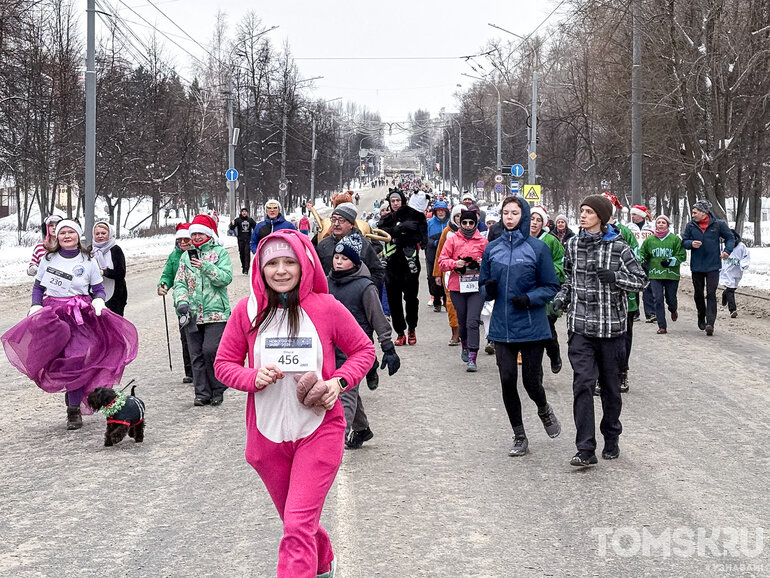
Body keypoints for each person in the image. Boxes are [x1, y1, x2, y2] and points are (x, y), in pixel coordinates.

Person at [213, 230, 375, 578]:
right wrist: (251, 377)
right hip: (267, 437)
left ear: (304, 266)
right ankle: (323, 562)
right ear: (260, 267)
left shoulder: (326, 307)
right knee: (296, 521)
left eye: (290, 262)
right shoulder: (247, 311)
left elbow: (364, 350)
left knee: (297, 524)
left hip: (318, 431)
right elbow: (223, 364)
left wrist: (338, 382)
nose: (281, 270)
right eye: (272, 263)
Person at [2, 219, 138, 430]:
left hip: (80, 316)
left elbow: (98, 288)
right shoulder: (49, 259)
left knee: (77, 359)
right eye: (63, 233)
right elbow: (38, 287)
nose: (66, 236)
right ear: (58, 237)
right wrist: (36, 305)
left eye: (71, 233)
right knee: (59, 361)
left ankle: (73, 409)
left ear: (78, 236)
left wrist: (99, 300)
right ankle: (72, 393)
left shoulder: (88, 259)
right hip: (54, 316)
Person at [553, 195, 647, 467]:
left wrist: (615, 278)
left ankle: (612, 436)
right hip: (580, 328)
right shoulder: (571, 245)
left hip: (611, 330)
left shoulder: (619, 248)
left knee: (609, 388)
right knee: (582, 385)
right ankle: (585, 449)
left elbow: (641, 281)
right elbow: (569, 279)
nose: (582, 216)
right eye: (581, 211)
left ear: (601, 218)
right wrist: (562, 297)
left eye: (589, 212)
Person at [479, 197, 562, 456]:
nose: (509, 217)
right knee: (506, 380)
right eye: (506, 213)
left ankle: (543, 408)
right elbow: (483, 285)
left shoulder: (538, 249)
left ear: (523, 216)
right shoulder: (492, 249)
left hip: (531, 325)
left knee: (531, 381)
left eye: (515, 213)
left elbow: (551, 286)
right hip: (502, 327)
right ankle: (519, 435)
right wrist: (487, 290)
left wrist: (530, 299)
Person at [327, 232, 400, 449]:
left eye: (345, 259)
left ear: (355, 261)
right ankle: (362, 429)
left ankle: (337, 441)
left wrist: (388, 347)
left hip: (355, 351)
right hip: (331, 347)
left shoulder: (365, 286)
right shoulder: (327, 282)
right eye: (336, 258)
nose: (339, 262)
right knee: (345, 389)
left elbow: (377, 317)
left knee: (345, 393)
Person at [173, 214, 233, 406]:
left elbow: (225, 278)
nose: (197, 237)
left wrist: (206, 267)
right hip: (192, 313)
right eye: (194, 234)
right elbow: (180, 283)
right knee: (196, 354)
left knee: (210, 350)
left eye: (200, 233)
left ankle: (218, 388)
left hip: (216, 313)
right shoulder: (185, 256)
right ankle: (202, 393)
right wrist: (181, 302)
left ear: (208, 234)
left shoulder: (219, 253)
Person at [438, 209, 488, 371]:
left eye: (471, 222)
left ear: (475, 224)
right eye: (464, 222)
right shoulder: (452, 240)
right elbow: (442, 262)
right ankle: (465, 346)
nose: (467, 225)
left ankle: (473, 357)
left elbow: (491, 263)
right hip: (457, 287)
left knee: (473, 321)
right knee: (463, 321)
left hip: (475, 287)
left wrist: (483, 263)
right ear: (460, 223)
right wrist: (454, 264)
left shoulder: (482, 241)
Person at [377, 189, 427, 345]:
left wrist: (399, 235)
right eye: (392, 201)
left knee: (411, 299)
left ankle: (412, 328)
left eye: (398, 200)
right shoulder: (386, 219)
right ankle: (400, 332)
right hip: (391, 266)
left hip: (410, 266)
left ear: (403, 201)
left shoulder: (414, 216)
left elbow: (420, 235)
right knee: (393, 300)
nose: (396, 203)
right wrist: (400, 229)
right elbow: (381, 233)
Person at [681, 199, 734, 336]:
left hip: (713, 265)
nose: (693, 215)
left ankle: (710, 323)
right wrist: (691, 243)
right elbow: (684, 241)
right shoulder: (691, 226)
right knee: (698, 293)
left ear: (704, 212)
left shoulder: (718, 224)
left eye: (695, 212)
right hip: (697, 266)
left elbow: (730, 238)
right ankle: (701, 315)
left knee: (711, 293)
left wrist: (727, 251)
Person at [315, 202, 385, 288]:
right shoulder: (323, 245)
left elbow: (378, 272)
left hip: (354, 298)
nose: (336, 224)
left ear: (351, 224)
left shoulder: (363, 244)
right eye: (333, 219)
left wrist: (365, 289)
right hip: (329, 297)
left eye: (341, 220)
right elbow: (315, 272)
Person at [529, 205, 565, 373]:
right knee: (530, 332)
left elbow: (561, 262)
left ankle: (554, 354)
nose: (534, 223)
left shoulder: (551, 241)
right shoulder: (520, 238)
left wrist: (549, 271)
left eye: (538, 220)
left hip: (547, 292)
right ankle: (536, 372)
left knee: (547, 328)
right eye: (531, 219)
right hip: (527, 291)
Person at [158, 223, 194, 384]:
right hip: (181, 305)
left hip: (201, 304)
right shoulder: (174, 256)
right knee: (186, 338)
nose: (183, 243)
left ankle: (205, 370)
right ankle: (190, 372)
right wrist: (163, 284)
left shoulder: (198, 254)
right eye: (180, 240)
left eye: (187, 239)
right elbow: (167, 274)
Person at [639, 215, 686, 334]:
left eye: (663, 222)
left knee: (670, 298)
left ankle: (673, 309)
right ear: (655, 225)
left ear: (667, 225)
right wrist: (642, 260)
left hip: (671, 274)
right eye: (658, 222)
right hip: (655, 274)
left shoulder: (675, 239)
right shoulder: (649, 240)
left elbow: (682, 255)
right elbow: (642, 253)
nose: (660, 224)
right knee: (658, 299)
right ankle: (662, 326)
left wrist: (671, 261)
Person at [432, 205, 463, 346]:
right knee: (450, 304)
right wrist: (437, 274)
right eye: (457, 216)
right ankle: (455, 333)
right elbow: (439, 254)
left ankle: (466, 333)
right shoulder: (447, 232)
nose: (460, 219)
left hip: (468, 275)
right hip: (450, 273)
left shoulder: (472, 232)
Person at [91, 220, 127, 316]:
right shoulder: (90, 250)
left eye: (103, 233)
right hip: (94, 293)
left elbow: (121, 273)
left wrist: (104, 272)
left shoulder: (116, 250)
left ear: (109, 234)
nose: (100, 236)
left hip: (115, 295)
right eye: (97, 233)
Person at [628, 205, 656, 322]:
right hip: (633, 259)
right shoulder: (628, 227)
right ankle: (634, 313)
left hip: (648, 258)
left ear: (642, 215)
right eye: (632, 214)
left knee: (648, 286)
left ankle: (650, 313)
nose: (632, 216)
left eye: (635, 214)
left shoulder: (651, 227)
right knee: (634, 285)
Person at [425, 200, 450, 312]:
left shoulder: (450, 223)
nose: (440, 213)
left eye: (442, 211)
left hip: (446, 253)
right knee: (432, 277)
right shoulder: (430, 223)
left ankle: (445, 300)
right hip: (432, 253)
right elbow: (425, 239)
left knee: (445, 276)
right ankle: (436, 300)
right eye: (438, 211)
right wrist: (434, 243)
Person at [719, 229, 750, 318]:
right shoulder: (723, 246)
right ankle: (732, 310)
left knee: (732, 288)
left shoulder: (741, 246)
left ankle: (725, 293)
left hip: (736, 270)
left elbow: (746, 256)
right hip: (727, 271)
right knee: (730, 288)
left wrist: (744, 264)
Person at [229, 207, 257, 274]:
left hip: (248, 239)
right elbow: (232, 228)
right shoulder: (238, 220)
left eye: (245, 212)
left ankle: (246, 269)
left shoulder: (250, 220)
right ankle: (243, 266)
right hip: (240, 239)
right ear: (241, 213)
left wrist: (255, 236)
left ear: (247, 213)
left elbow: (256, 228)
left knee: (247, 253)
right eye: (243, 212)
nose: (244, 213)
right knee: (242, 254)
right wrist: (232, 224)